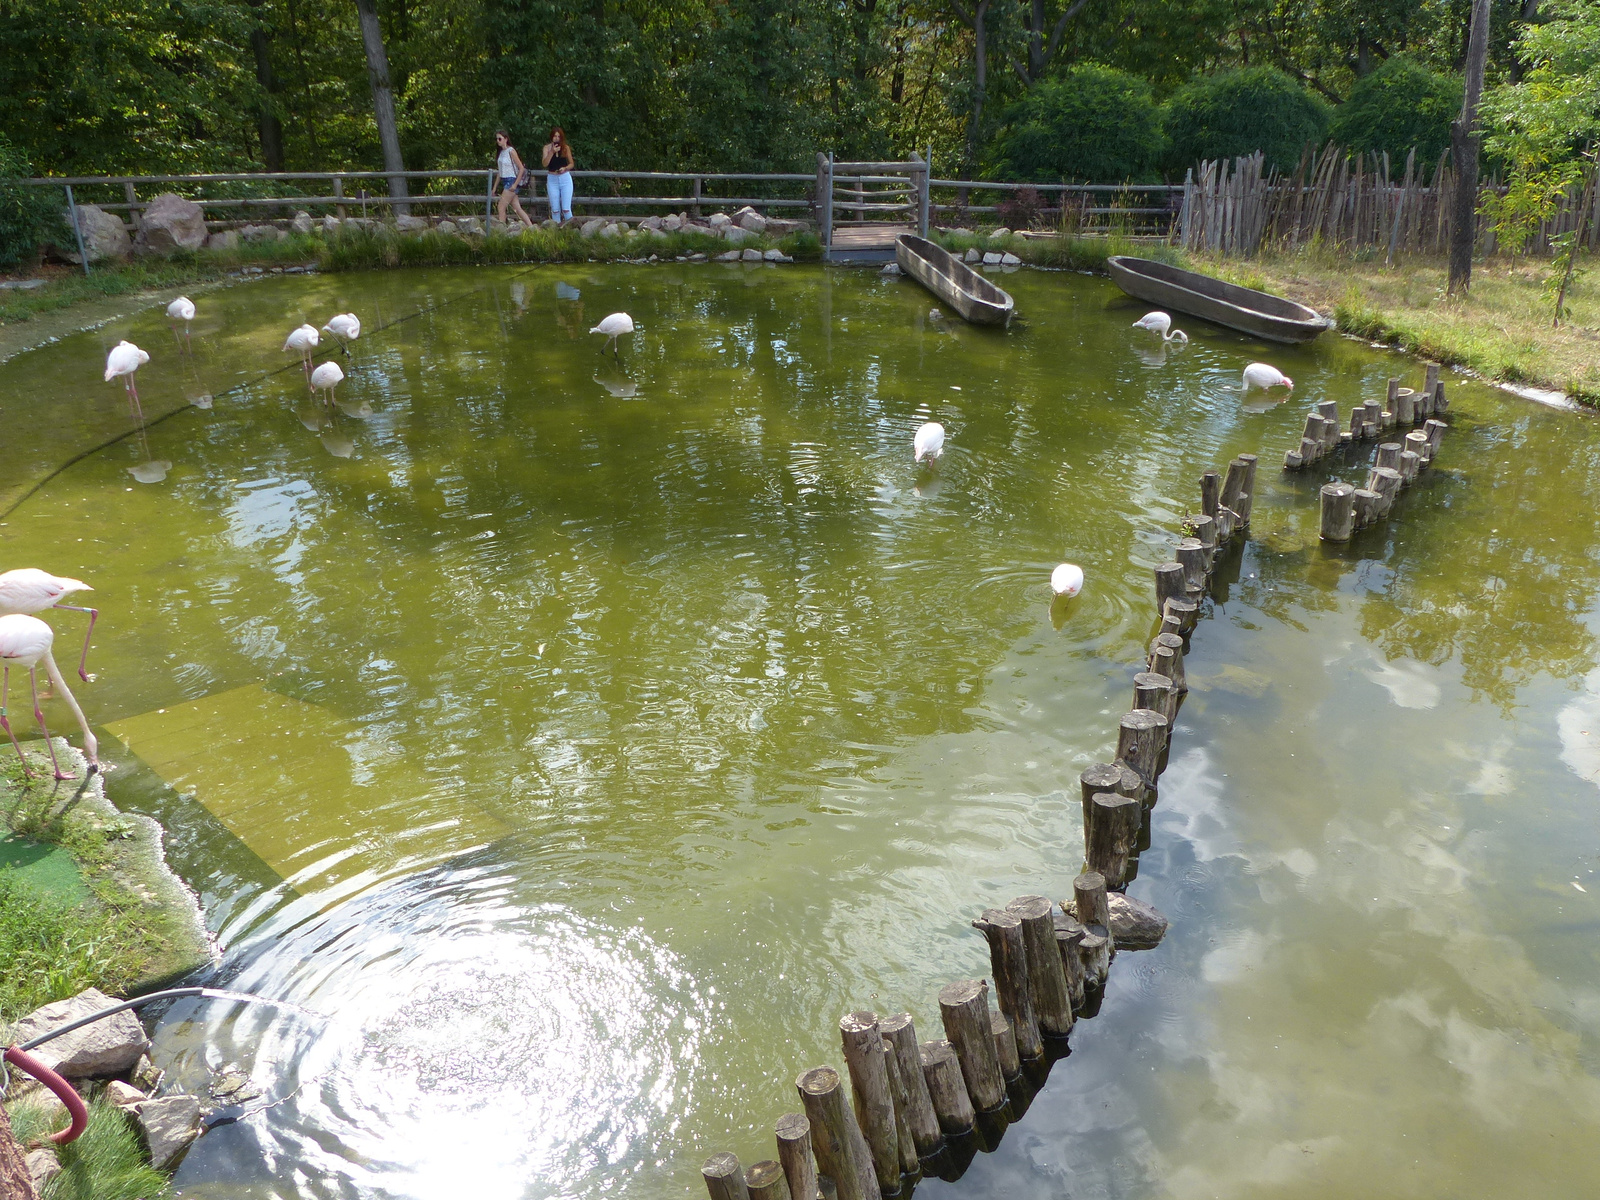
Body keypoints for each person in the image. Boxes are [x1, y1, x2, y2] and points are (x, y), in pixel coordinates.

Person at [494, 131, 535, 230]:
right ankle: (532, 227)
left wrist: (515, 184)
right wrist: (494, 187)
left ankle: (502, 230)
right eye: (497, 139)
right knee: (517, 208)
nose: (498, 141)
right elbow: (500, 171)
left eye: (500, 139)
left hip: (511, 180)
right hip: (505, 180)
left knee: (501, 207)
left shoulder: (511, 151)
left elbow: (521, 168)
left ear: (506, 139)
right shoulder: (501, 153)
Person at [543, 127, 575, 223]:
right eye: (555, 136)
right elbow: (545, 164)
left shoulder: (565, 148)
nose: (556, 138)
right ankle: (556, 229)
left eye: (558, 136)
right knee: (555, 209)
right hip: (552, 179)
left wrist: (565, 168)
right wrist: (552, 152)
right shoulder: (546, 148)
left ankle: (571, 227)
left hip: (564, 178)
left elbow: (571, 164)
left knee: (566, 208)